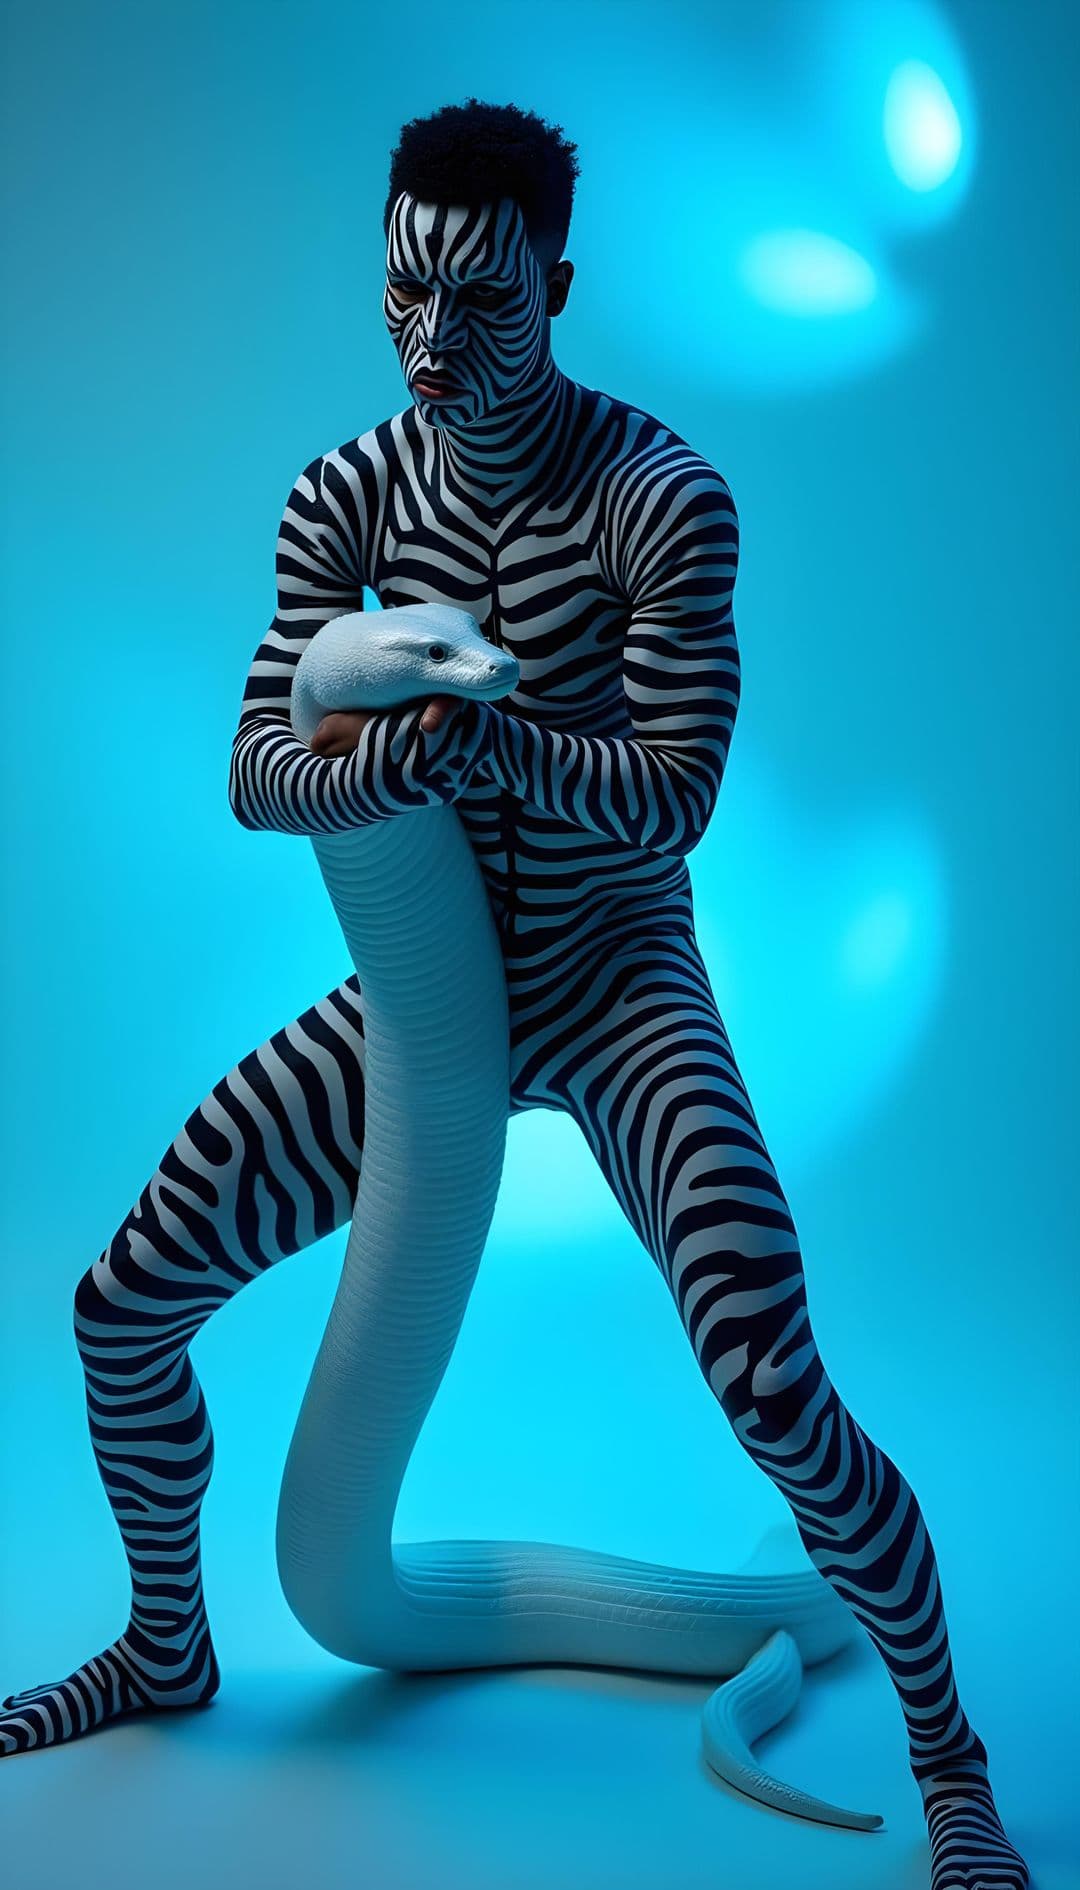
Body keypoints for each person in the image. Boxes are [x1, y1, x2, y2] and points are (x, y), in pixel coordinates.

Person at [0, 95, 1028, 1890]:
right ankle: (171, 1643)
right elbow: (259, 765)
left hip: (616, 982)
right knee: (118, 1309)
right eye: (404, 300)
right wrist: (371, 769)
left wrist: (472, 732)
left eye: (480, 305)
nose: (433, 348)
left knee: (774, 1380)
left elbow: (672, 797)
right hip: (420, 1002)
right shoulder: (346, 492)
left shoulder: (662, 498)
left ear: (560, 281)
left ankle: (955, 1764)